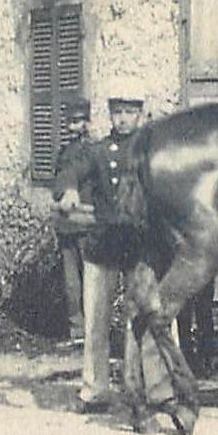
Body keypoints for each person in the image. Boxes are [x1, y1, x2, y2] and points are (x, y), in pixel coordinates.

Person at [55, 86, 148, 412]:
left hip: (140, 245)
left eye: (130, 112)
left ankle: (158, 388)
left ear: (140, 115)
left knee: (151, 318)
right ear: (110, 115)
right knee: (96, 318)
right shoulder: (97, 150)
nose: (123, 119)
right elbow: (70, 169)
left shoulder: (150, 148)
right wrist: (68, 190)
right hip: (104, 242)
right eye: (118, 113)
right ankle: (95, 390)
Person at [49, 99, 94, 341]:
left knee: (88, 278)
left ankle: (88, 328)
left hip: (86, 222)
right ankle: (78, 329)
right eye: (70, 122)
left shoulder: (90, 150)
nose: (73, 126)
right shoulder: (66, 152)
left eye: (77, 121)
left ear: (87, 123)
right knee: (72, 281)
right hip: (69, 223)